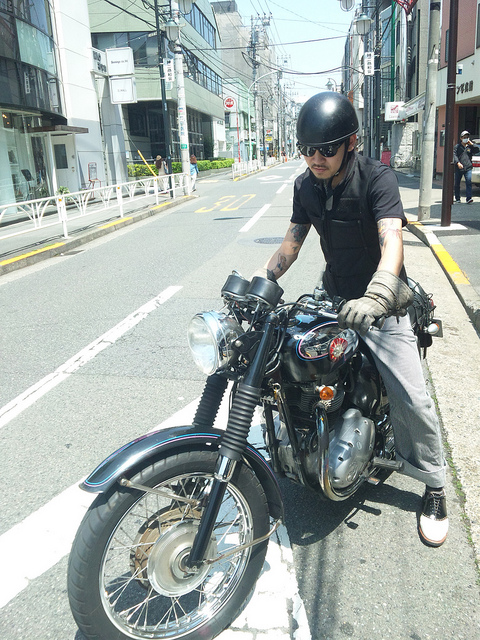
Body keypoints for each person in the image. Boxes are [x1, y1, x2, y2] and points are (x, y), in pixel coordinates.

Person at [258, 92, 448, 547]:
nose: (316, 158)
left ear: (351, 143)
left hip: (384, 299)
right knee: (285, 358)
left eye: (326, 148)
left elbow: (392, 239)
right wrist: (261, 283)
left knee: (412, 396)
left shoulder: (378, 179)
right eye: (307, 149)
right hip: (335, 294)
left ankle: (435, 483)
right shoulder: (306, 186)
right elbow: (291, 244)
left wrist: (379, 295)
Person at [453, 131, 479, 204]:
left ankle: (469, 198)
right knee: (457, 183)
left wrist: (472, 144)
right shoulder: (457, 147)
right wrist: (458, 163)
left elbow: (477, 150)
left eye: (467, 137)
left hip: (468, 167)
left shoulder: (470, 147)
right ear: (461, 138)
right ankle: (457, 198)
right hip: (459, 168)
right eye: (464, 137)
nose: (466, 139)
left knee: (469, 182)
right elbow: (454, 155)